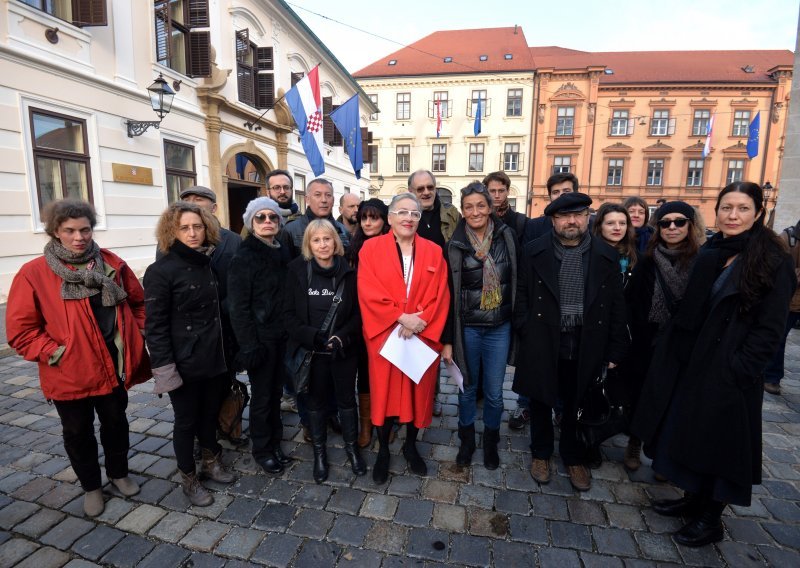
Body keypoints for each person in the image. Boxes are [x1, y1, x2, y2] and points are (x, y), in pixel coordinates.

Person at [632, 182, 795, 547]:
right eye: (726, 208)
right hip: (693, 362)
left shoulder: (771, 257)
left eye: (742, 208)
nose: (733, 216)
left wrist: (740, 369)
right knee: (692, 436)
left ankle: (711, 518)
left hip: (730, 369)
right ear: (717, 212)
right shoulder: (712, 251)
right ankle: (693, 499)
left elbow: (771, 329)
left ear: (758, 213)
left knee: (721, 446)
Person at [6, 199, 151, 517]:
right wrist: (55, 352)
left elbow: (138, 304)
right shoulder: (34, 273)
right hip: (69, 372)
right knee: (77, 432)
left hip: (113, 366)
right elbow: (21, 331)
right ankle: (91, 487)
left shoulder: (112, 263)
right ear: (56, 231)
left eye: (84, 229)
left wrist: (136, 335)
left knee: (116, 423)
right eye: (70, 230)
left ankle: (119, 474)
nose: (79, 236)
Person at [513, 192, 628, 492]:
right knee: (540, 399)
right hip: (543, 337)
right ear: (553, 220)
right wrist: (525, 327)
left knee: (577, 400)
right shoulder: (533, 250)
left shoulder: (605, 255)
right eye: (564, 216)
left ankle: (572, 455)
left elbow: (616, 304)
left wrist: (615, 348)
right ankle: (540, 453)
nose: (572, 221)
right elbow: (521, 293)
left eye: (578, 214)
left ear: (588, 217)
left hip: (586, 339)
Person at [144, 201, 235, 507]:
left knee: (209, 416)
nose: (193, 233)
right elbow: (154, 327)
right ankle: (189, 478)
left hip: (212, 357)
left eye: (197, 226)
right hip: (183, 363)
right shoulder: (160, 271)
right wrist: (165, 369)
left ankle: (211, 462)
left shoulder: (206, 262)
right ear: (172, 231)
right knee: (186, 421)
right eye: (184, 227)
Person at [358, 193, 450, 485]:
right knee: (384, 394)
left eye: (414, 213)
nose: (409, 217)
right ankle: (384, 449)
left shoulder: (434, 250)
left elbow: (441, 293)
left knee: (417, 392)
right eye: (402, 212)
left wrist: (419, 321)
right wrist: (401, 317)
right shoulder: (371, 249)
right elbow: (368, 290)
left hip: (422, 334)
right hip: (386, 334)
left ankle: (410, 445)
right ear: (390, 218)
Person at [441, 182, 517, 470]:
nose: (475, 212)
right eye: (469, 207)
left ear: (490, 207)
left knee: (496, 392)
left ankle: (491, 442)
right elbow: (448, 294)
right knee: (468, 388)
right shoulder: (455, 244)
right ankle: (467, 441)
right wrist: (448, 339)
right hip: (468, 329)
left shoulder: (506, 236)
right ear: (462, 211)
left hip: (499, 327)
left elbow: (517, 279)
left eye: (480, 205)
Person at [284, 220, 365, 483]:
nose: (322, 245)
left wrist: (341, 337)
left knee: (346, 401)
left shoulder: (349, 272)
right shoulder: (296, 270)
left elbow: (357, 314)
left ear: (336, 242)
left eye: (327, 239)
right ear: (308, 244)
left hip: (343, 351)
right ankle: (319, 453)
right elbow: (289, 316)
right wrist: (313, 337)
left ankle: (352, 449)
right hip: (313, 352)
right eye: (316, 240)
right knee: (316, 404)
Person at [624, 201, 703, 472]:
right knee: (641, 392)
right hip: (647, 339)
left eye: (679, 222)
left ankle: (661, 452)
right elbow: (632, 303)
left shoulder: (702, 261)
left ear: (690, 225)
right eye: (665, 222)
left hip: (681, 341)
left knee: (673, 399)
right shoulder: (647, 260)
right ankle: (634, 441)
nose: (672, 227)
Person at [510, 172, 581, 431]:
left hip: (571, 313)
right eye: (556, 192)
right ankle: (524, 405)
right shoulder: (535, 226)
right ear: (549, 196)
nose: (561, 196)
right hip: (539, 312)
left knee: (564, 367)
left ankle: (561, 410)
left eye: (567, 191)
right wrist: (525, 321)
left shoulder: (583, 226)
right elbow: (526, 270)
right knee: (533, 366)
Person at [227, 197, 293, 476]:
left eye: (272, 217)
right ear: (251, 224)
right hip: (260, 340)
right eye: (260, 218)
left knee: (276, 392)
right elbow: (238, 307)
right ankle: (262, 449)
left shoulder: (281, 251)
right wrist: (250, 346)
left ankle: (275, 442)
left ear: (279, 222)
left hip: (281, 336)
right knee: (263, 396)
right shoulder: (244, 256)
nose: (267, 222)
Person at [174, 185, 243, 443]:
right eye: (187, 200)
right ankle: (199, 438)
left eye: (199, 200)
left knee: (225, 384)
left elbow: (239, 284)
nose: (193, 203)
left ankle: (228, 427)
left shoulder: (233, 241)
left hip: (225, 327)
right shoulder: (170, 242)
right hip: (190, 334)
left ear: (213, 208)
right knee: (193, 393)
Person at [409, 169, 461, 417]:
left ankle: (436, 394)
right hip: (416, 289)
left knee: (440, 340)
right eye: (420, 189)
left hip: (447, 284)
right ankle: (418, 393)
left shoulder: (450, 214)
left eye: (430, 187)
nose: (427, 192)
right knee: (417, 343)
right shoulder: (408, 216)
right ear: (412, 192)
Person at [346, 198, 391, 448]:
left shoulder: (393, 247)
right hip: (358, 320)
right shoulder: (353, 249)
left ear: (384, 220)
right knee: (364, 374)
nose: (368, 222)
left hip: (385, 320)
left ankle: (385, 421)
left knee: (388, 374)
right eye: (364, 217)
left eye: (374, 217)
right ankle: (366, 425)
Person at [763, 217, 800, 395]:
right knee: (778, 338)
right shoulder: (788, 237)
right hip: (791, 300)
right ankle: (771, 377)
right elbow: (774, 267)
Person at [285, 178, 351, 258]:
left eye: (328, 195)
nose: (324, 200)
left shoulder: (344, 231)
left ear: (333, 200)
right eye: (318, 195)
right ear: (307, 199)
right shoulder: (290, 230)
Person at [593, 203, 638, 288]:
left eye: (622, 223)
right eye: (610, 223)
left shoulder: (637, 258)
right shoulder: (587, 255)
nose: (617, 228)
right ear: (599, 226)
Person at [482, 170, 532, 246]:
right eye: (492, 191)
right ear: (486, 192)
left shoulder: (522, 222)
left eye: (501, 191)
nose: (497, 195)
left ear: (508, 191)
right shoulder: (479, 219)